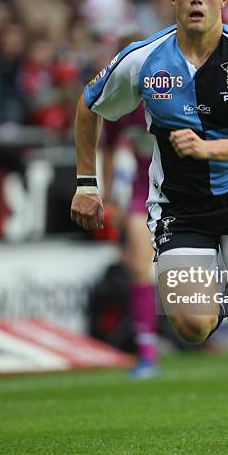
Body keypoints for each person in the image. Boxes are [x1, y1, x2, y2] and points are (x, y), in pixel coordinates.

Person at [71, 0, 228, 447]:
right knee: (191, 326)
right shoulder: (144, 58)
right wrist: (87, 183)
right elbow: (88, 104)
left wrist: (209, 148)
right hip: (179, 209)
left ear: (224, 0)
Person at [101, 105, 158, 379]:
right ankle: (146, 353)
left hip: (184, 192)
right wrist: (110, 196)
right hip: (143, 193)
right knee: (138, 265)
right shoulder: (122, 105)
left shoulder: (180, 91)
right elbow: (109, 146)